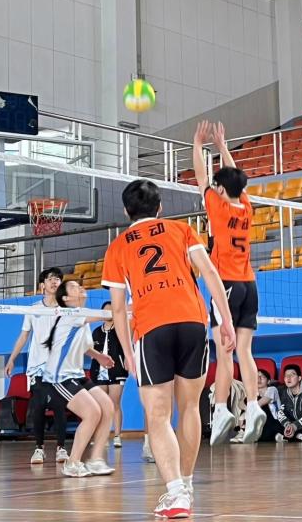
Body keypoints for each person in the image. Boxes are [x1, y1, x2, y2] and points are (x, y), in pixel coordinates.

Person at [102, 179, 236, 520]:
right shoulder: (181, 230)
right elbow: (210, 272)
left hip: (152, 327)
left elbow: (117, 308)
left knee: (158, 415)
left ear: (126, 211)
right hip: (193, 321)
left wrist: (127, 351)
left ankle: (176, 493)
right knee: (190, 407)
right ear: (159, 207)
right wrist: (226, 320)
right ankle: (185, 485)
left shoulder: (117, 247)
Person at [193, 120, 267, 446]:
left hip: (226, 285)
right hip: (250, 285)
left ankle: (222, 408)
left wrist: (198, 146)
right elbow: (237, 178)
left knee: (224, 352)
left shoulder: (218, 207)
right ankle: (251, 405)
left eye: (217, 185)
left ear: (220, 189)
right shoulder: (246, 206)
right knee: (244, 351)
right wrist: (223, 147)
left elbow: (201, 179)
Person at [42, 281, 117, 478]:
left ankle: (96, 460)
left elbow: (82, 346)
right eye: (74, 287)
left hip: (76, 374)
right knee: (92, 412)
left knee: (108, 407)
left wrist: (98, 356)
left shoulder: (80, 317)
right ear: (65, 298)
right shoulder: (70, 313)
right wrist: (136, 305)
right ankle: (72, 462)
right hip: (58, 378)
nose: (80, 287)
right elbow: (110, 314)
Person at [3, 267, 70, 464]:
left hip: (58, 367)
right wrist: (12, 359)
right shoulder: (33, 309)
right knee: (38, 406)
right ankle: (39, 449)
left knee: (59, 406)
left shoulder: (66, 309)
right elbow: (24, 335)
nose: (54, 281)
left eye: (57, 279)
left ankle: (61, 448)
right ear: (42, 285)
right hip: (37, 367)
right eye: (50, 279)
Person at [90, 300, 128, 448]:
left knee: (115, 404)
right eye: (105, 311)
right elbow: (91, 351)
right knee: (101, 406)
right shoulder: (96, 332)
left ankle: (117, 436)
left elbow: (126, 348)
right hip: (99, 372)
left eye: (111, 311)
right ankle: (102, 437)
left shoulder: (120, 329)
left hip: (116, 371)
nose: (108, 313)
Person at [253, 369, 284, 443]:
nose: (259, 379)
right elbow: (240, 403)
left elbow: (260, 403)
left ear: (268, 381)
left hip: (274, 422)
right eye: (257, 377)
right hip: (261, 423)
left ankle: (277, 434)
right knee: (248, 402)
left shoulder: (272, 389)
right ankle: (242, 430)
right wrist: (246, 409)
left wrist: (246, 410)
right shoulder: (254, 392)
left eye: (262, 377)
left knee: (258, 405)